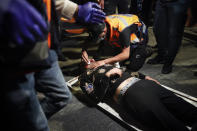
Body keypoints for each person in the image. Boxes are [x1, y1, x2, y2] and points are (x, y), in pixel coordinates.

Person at [1, 0, 105, 130]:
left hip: (45, 44)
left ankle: (24, 122)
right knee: (36, 121)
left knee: (61, 96)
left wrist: (75, 10)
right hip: (14, 53)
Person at [79, 64, 197, 131]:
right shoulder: (84, 78)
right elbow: (95, 97)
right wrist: (106, 77)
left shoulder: (106, 64)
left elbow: (129, 71)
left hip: (147, 85)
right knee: (173, 126)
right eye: (86, 61)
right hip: (132, 93)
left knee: (190, 112)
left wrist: (145, 77)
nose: (91, 59)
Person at [82, 14, 150, 71]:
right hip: (123, 33)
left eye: (98, 36)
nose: (96, 38)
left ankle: (146, 50)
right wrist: (84, 51)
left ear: (104, 31)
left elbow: (125, 54)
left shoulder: (122, 30)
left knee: (133, 66)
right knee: (112, 60)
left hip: (138, 34)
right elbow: (90, 38)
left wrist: (102, 62)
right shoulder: (99, 25)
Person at [146, 0, 191, 74]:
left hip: (178, 2)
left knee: (174, 34)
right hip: (161, 2)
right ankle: (161, 56)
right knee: (158, 29)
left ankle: (168, 62)